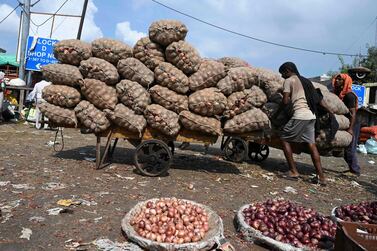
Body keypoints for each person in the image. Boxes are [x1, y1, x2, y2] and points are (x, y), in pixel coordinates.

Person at [277, 62, 326, 185]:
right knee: (311, 144)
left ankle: (293, 171)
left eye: (283, 73)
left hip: (300, 115)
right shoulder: (306, 81)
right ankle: (321, 177)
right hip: (311, 116)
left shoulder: (289, 80)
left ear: (288, 70)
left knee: (284, 139)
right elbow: (317, 99)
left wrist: (276, 114)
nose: (282, 76)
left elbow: (285, 101)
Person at [332, 73, 360, 176]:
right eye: (337, 79)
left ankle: (355, 170)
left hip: (353, 123)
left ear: (345, 82)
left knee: (350, 147)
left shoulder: (349, 95)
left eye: (340, 80)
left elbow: (353, 114)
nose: (337, 81)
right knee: (344, 147)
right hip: (345, 123)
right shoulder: (338, 94)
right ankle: (352, 168)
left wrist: (351, 128)